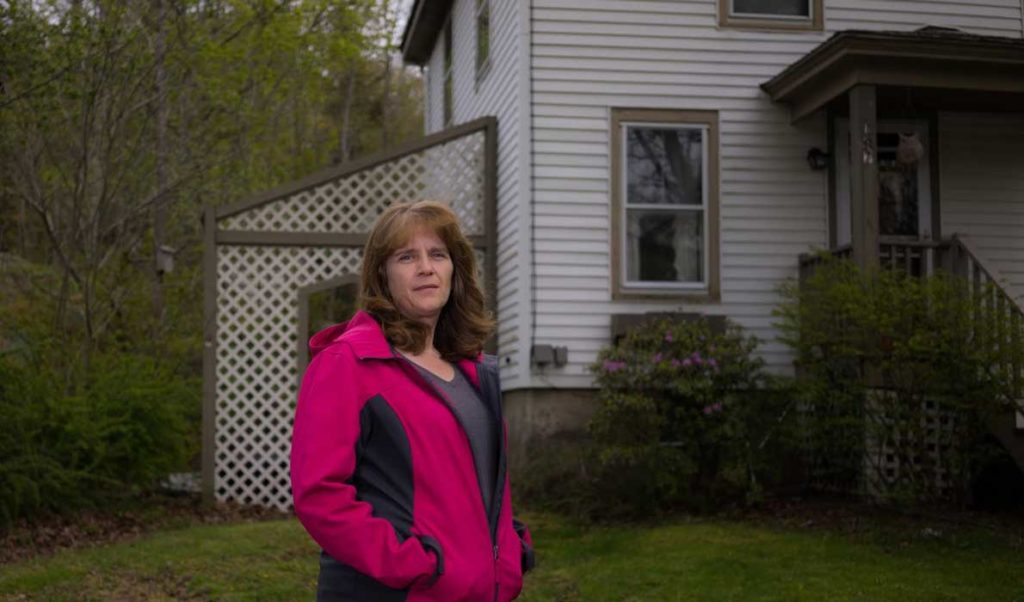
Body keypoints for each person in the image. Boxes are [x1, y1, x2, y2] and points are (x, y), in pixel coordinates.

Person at [290, 200, 535, 601]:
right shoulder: (347, 365)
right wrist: (416, 566)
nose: (426, 267)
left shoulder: (473, 371)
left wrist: (510, 548)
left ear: (454, 270)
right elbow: (319, 494)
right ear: (381, 275)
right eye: (407, 256)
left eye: (437, 254)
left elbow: (479, 486)